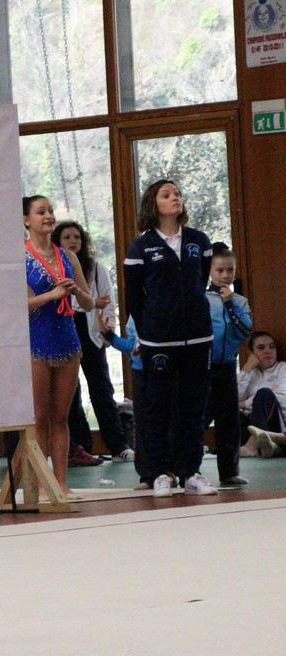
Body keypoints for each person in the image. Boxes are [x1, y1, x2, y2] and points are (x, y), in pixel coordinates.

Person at [123, 179, 217, 497]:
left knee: (193, 408)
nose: (175, 197)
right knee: (156, 408)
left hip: (197, 338)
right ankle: (160, 472)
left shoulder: (198, 241)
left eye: (177, 193)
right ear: (154, 204)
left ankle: (191, 471)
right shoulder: (141, 247)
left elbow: (199, 280)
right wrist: (148, 330)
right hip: (158, 341)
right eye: (167, 194)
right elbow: (134, 297)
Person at [23, 196, 95, 492]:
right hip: (37, 342)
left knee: (61, 417)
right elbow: (19, 305)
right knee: (39, 417)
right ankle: (42, 484)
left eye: (51, 211)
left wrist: (76, 290)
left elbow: (89, 304)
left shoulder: (68, 256)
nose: (49, 216)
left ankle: (61, 483)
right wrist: (51, 296)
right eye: (41, 212)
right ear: (27, 220)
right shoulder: (21, 257)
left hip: (67, 342)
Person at [53, 220, 134, 466]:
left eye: (76, 237)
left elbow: (106, 301)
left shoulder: (96, 268)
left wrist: (107, 324)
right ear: (58, 242)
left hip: (91, 333)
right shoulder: (53, 269)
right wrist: (91, 301)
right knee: (71, 394)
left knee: (101, 390)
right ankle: (81, 447)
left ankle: (118, 446)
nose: (72, 241)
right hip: (65, 329)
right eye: (66, 237)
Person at [202, 243, 253, 485]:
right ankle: (185, 468)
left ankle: (230, 471)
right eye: (220, 270)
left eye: (229, 270)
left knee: (229, 421)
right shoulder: (201, 298)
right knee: (198, 419)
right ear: (210, 271)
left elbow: (245, 332)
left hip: (226, 367)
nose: (225, 275)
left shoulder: (240, 301)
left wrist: (230, 304)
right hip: (203, 368)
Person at [102, 314, 154, 488]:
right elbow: (132, 346)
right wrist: (111, 337)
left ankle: (171, 470)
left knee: (165, 421)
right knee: (142, 422)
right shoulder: (134, 318)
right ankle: (147, 475)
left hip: (164, 370)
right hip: (140, 372)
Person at [239, 330, 286, 457]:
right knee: (230, 410)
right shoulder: (250, 374)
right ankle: (271, 447)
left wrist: (244, 403)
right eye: (261, 347)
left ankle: (253, 446)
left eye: (272, 347)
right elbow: (233, 399)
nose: (268, 351)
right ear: (251, 353)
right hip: (251, 425)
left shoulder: (283, 368)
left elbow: (280, 396)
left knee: (264, 394)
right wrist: (247, 368)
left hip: (277, 424)